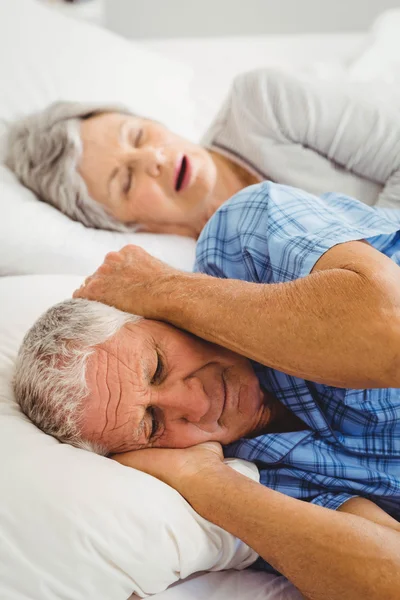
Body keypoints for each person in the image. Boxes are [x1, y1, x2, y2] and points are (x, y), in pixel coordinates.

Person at [14, 180, 400, 600]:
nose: (196, 404)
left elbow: (391, 332)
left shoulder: (242, 243)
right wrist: (208, 483)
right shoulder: (255, 477)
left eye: (157, 365)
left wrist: (160, 287)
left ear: (148, 315)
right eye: (150, 423)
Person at [5, 69, 400, 237]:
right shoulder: (214, 280)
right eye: (125, 179)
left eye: (139, 135)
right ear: (125, 224)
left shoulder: (262, 101)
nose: (152, 159)